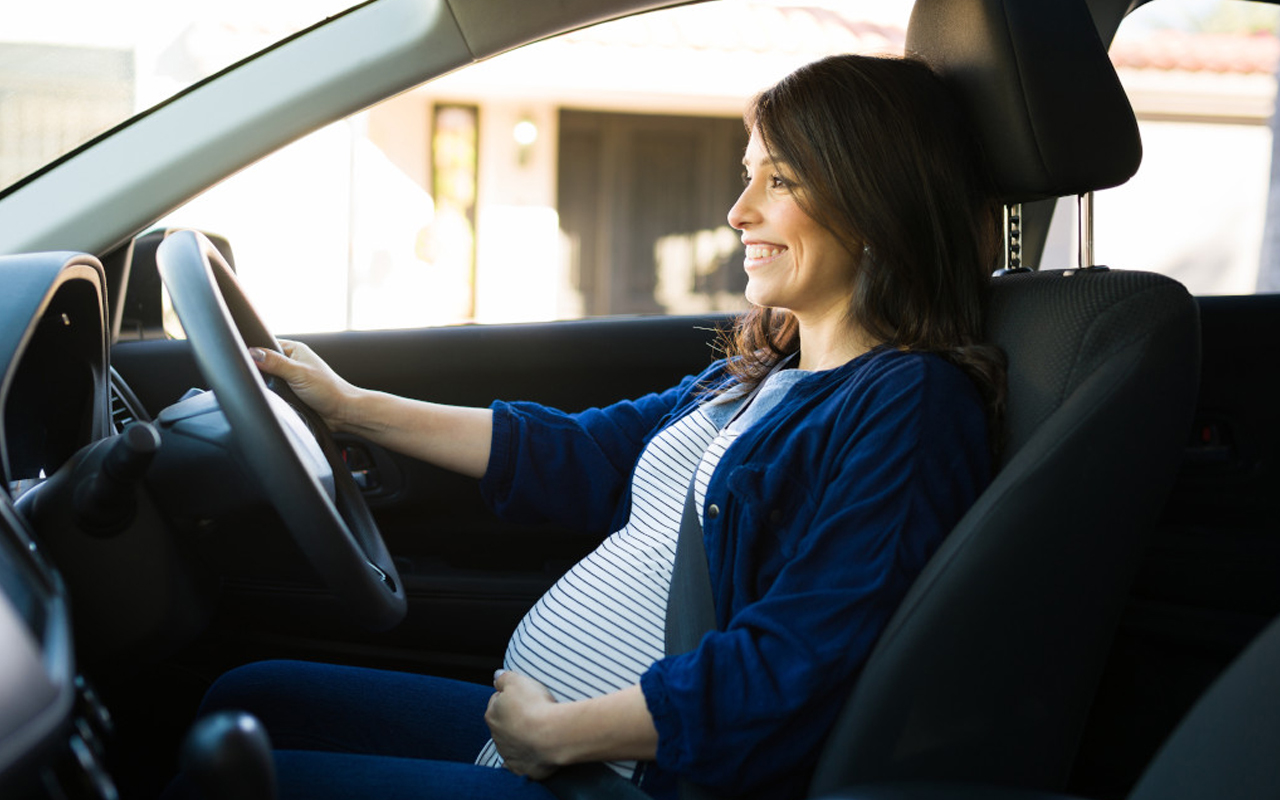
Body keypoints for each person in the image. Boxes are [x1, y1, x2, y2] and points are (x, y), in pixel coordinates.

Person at [191, 53, 1005, 800]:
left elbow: (802, 661)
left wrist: (556, 734)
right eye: (748, 175)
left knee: (234, 778)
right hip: (553, 748)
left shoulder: (911, 404)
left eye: (779, 182)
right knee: (246, 699)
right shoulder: (759, 376)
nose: (737, 210)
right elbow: (580, 453)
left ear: (873, 201)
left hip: (625, 777)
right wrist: (348, 406)